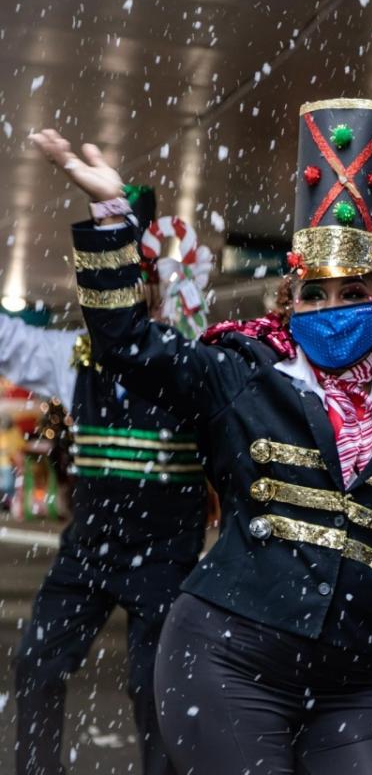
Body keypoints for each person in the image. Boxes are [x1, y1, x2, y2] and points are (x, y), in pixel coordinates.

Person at [36, 96, 372, 773]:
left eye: (353, 293)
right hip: (228, 662)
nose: (332, 309)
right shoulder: (243, 375)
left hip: (352, 681)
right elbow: (128, 346)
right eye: (315, 293)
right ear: (291, 300)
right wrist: (115, 219)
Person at [1, 184, 206, 775]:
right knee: (37, 663)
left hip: (167, 558)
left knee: (156, 688)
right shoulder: (75, 357)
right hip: (88, 551)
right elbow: (11, 343)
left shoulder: (191, 361)